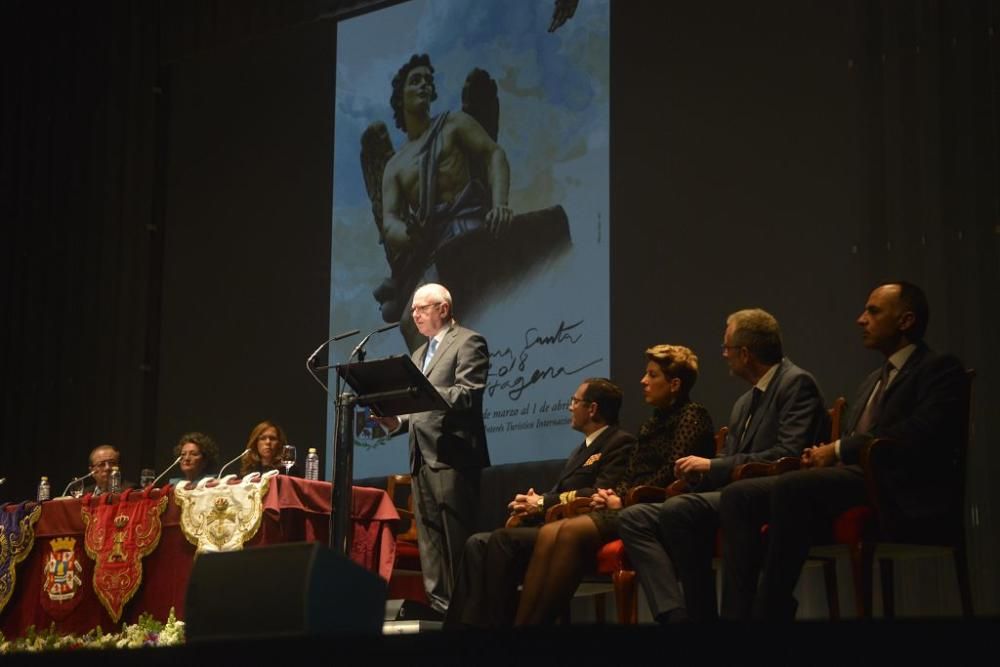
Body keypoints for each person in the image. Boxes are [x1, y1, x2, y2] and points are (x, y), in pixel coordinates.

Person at [720, 281, 967, 620]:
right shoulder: (871, 381)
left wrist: (836, 449)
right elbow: (853, 439)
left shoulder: (940, 369)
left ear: (906, 320)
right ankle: (739, 618)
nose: (860, 319)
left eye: (873, 311)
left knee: (792, 486)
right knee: (740, 495)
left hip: (900, 487)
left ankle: (769, 613)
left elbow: (915, 434)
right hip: (856, 479)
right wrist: (822, 453)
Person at [617, 309, 829, 623]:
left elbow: (788, 453)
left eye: (727, 348)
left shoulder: (796, 383)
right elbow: (727, 463)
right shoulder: (744, 402)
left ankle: (713, 619)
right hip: (732, 492)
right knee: (635, 516)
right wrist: (695, 477)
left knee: (681, 510)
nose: (724, 355)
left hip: (772, 494)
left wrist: (711, 466)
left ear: (745, 354)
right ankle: (677, 616)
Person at [512, 344, 716, 625]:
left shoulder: (692, 416)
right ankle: (522, 628)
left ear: (674, 384)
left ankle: (538, 628)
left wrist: (623, 499)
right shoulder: (651, 423)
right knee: (551, 531)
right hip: (627, 502)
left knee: (569, 530)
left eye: (652, 375)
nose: (643, 381)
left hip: (655, 507)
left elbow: (673, 472)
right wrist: (610, 495)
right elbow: (631, 473)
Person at [446, 378, 636, 629]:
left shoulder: (619, 442)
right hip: (554, 523)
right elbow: (561, 492)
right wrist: (531, 503)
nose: (570, 407)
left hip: (575, 532)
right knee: (476, 543)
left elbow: (597, 492)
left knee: (502, 540)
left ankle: (493, 631)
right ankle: (458, 632)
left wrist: (542, 502)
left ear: (592, 409)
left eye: (575, 401)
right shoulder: (582, 449)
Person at [379, 283, 490, 615]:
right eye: (412, 309)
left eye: (422, 309)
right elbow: (417, 411)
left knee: (456, 542)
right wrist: (395, 422)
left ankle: (465, 616)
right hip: (421, 458)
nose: (414, 315)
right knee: (429, 543)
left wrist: (426, 394)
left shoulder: (469, 341)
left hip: (452, 457)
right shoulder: (417, 354)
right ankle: (441, 612)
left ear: (443, 309)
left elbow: (468, 394)